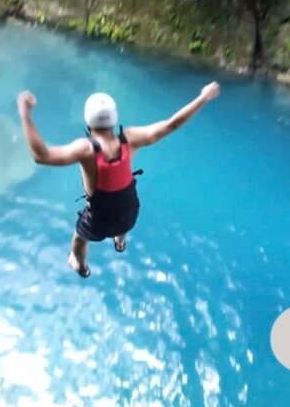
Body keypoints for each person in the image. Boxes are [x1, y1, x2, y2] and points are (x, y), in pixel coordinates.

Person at [16, 83, 221, 279]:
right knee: (122, 220)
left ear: (88, 122)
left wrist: (25, 114)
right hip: (128, 213)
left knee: (78, 240)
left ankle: (80, 265)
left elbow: (41, 156)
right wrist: (203, 97)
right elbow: (171, 124)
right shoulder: (130, 139)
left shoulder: (86, 149)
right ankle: (120, 243)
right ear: (113, 120)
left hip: (99, 219)